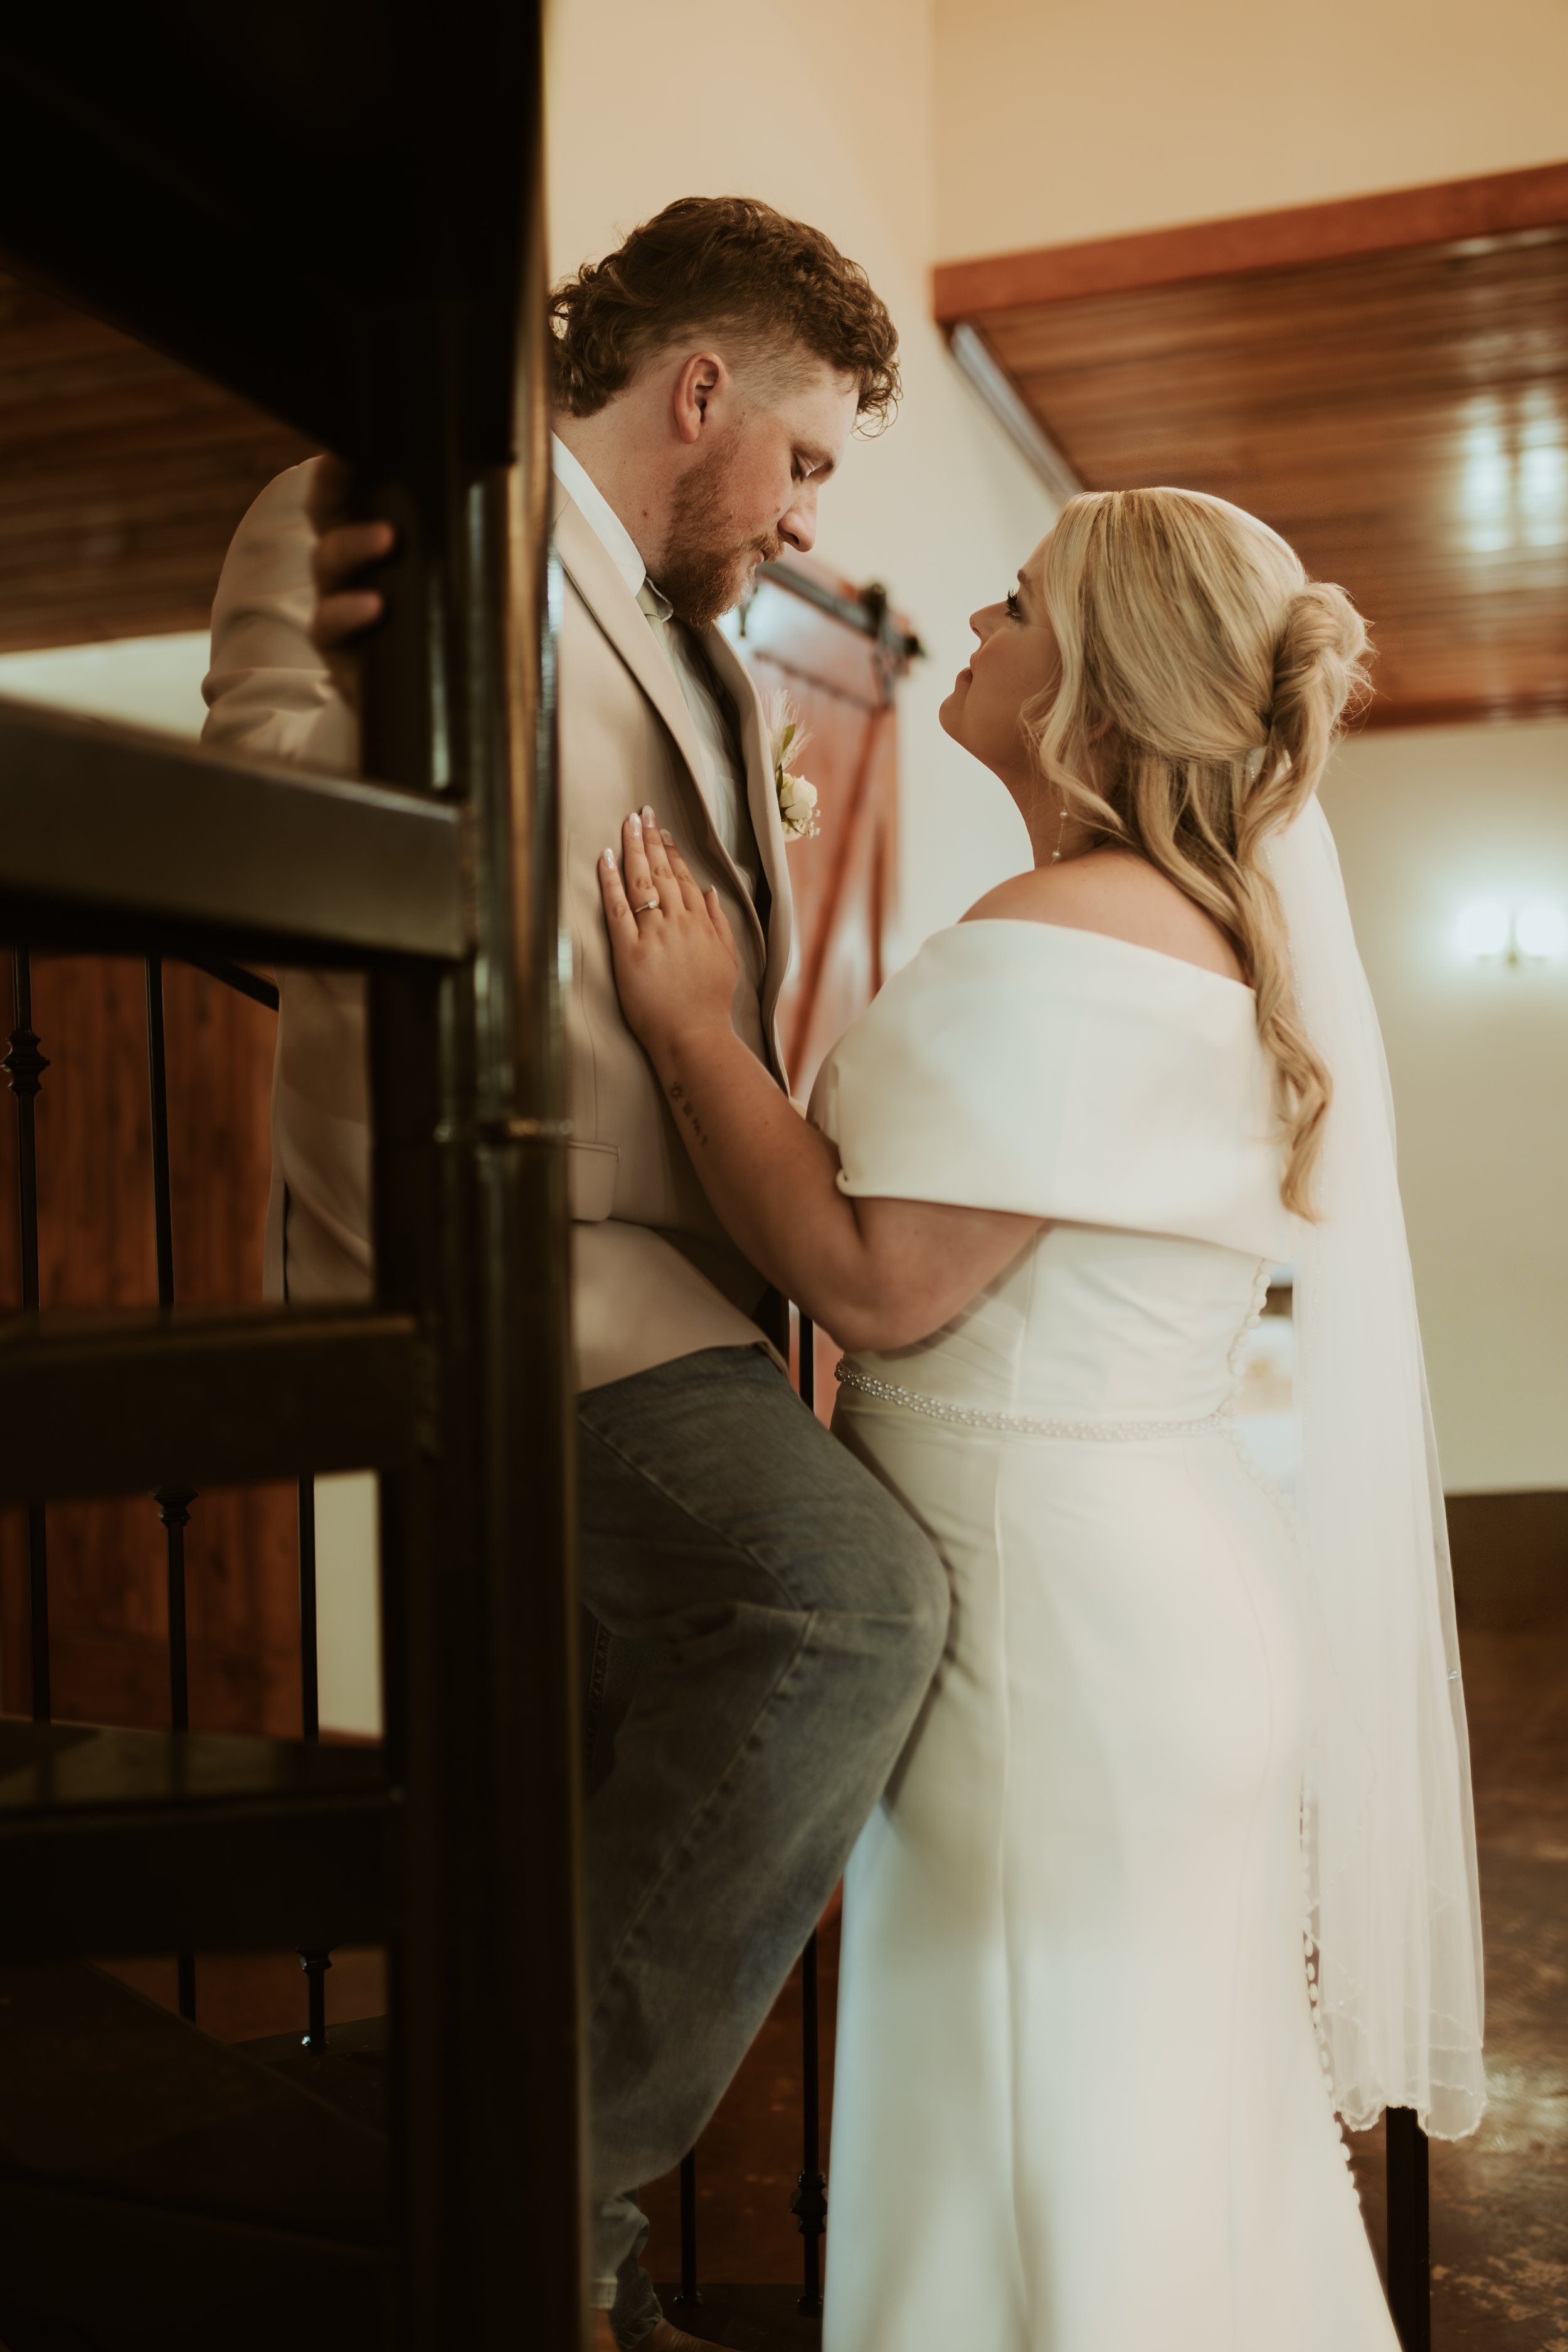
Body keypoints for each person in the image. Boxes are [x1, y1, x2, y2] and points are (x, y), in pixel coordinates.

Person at [595, 485, 1488, 2349]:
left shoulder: (1078, 929)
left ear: (1092, 673)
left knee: (1034, 2123)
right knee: (1139, 2129)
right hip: (1137, 1589)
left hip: (1064, 1628)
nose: (979, 628)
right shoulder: (1178, 929)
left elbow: (876, 1283)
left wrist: (693, 1032)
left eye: (1014, 604)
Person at [201, 196, 949, 2352]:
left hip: (678, 1282)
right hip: (500, 1245)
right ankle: (508, 2191)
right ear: (697, 389)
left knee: (584, 1788)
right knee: (844, 1602)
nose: (806, 513)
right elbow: (266, 829)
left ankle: (563, 2279)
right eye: (803, 458)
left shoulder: (702, 642)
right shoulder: (377, 511)